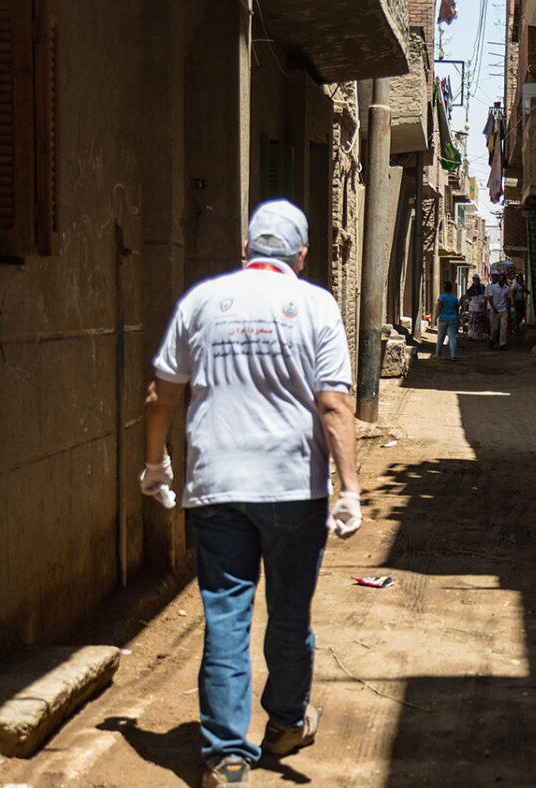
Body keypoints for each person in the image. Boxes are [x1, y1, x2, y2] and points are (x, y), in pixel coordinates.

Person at [141, 198, 363, 788]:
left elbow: (160, 395)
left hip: (216, 490)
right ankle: (287, 723)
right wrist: (351, 488)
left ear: (246, 249)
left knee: (225, 616)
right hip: (295, 489)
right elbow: (336, 404)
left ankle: (226, 756)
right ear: (303, 254)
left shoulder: (202, 301)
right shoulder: (316, 305)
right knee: (289, 614)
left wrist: (155, 462)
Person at [485, 272, 511, 350]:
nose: (501, 280)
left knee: (503, 327)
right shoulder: (493, 288)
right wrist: (494, 308)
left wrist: (508, 305)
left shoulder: (507, 288)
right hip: (494, 310)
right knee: (494, 328)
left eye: (503, 279)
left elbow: (508, 298)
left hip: (503, 310)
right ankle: (492, 340)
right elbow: (489, 298)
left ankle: (502, 344)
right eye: (500, 279)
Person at [435, 282, 459, 360]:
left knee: (440, 338)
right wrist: (458, 319)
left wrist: (435, 317)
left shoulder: (441, 297)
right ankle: (453, 355)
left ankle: (438, 355)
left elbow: (439, 308)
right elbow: (457, 309)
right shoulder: (455, 298)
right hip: (453, 319)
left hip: (443, 319)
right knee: (452, 338)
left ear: (444, 289)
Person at [463, 274, 487, 341]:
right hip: (473, 308)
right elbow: (468, 297)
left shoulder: (482, 287)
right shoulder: (471, 289)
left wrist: (483, 304)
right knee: (472, 323)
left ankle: (479, 336)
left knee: (479, 323)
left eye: (477, 279)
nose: (475, 280)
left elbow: (485, 296)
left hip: (480, 308)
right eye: (474, 279)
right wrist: (466, 301)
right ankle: (471, 336)